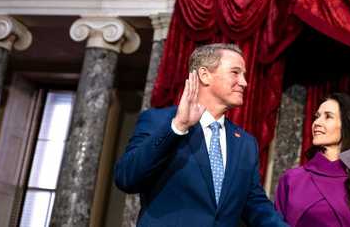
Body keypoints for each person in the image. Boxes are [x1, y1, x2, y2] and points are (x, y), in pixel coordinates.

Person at [114, 43, 287, 227]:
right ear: (205, 75)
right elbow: (127, 178)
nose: (244, 82)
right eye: (235, 72)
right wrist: (177, 127)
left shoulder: (245, 143)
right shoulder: (159, 121)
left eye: (243, 75)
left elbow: (256, 204)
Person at [275, 92, 350, 227]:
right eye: (316, 117)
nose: (317, 122)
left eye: (328, 116)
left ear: (347, 126)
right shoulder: (291, 178)